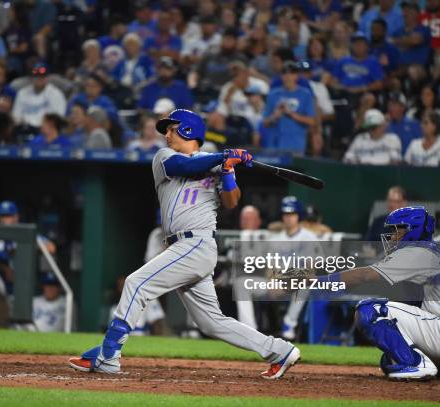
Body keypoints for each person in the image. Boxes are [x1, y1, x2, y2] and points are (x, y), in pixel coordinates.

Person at [69, 109, 301, 380]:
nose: (166, 134)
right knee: (211, 322)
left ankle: (109, 355)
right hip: (182, 247)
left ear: (189, 130)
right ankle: (280, 350)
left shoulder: (215, 164)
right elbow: (186, 167)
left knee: (136, 283)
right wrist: (225, 157)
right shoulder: (164, 157)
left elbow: (231, 201)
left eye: (172, 128)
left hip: (197, 243)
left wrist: (227, 171)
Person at [287, 206, 440, 380]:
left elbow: (363, 276)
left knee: (370, 309)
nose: (393, 236)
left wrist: (314, 282)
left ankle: (416, 364)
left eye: (398, 230)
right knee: (389, 360)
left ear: (414, 230)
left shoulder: (417, 252)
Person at [273, 197, 319, 341]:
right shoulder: (276, 238)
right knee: (243, 285)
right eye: (286, 214)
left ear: (299, 216)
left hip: (301, 281)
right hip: (279, 281)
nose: (288, 218)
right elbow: (271, 266)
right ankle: (250, 329)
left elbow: (310, 268)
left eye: (292, 214)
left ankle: (288, 326)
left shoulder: (309, 237)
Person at [261, 61, 315, 153]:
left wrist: (290, 113)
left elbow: (311, 121)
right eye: (284, 73)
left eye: (292, 73)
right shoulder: (273, 94)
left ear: (297, 76)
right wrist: (274, 116)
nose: (288, 76)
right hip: (274, 145)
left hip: (296, 145)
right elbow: (265, 123)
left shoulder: (305, 94)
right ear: (281, 76)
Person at [12, 62, 66, 129]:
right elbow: (16, 116)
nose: (39, 78)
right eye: (36, 76)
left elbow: (58, 118)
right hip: (24, 129)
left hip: (47, 132)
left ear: (47, 77)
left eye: (42, 76)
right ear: (31, 77)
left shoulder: (56, 94)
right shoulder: (22, 93)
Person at [330, 32, 383, 97]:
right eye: (355, 44)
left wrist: (360, 89)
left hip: (363, 93)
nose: (357, 46)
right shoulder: (343, 60)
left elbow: (379, 84)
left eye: (360, 44)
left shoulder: (373, 62)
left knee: (369, 97)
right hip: (343, 93)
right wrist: (340, 87)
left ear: (366, 46)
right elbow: (333, 80)